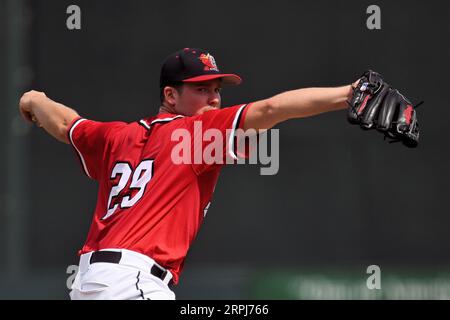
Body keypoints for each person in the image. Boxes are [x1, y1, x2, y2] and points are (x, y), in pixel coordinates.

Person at [18, 48, 393, 300]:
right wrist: (351, 92)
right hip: (132, 283)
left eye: (216, 89)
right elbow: (272, 109)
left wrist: (34, 99)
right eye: (201, 89)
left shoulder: (116, 135)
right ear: (170, 95)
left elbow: (68, 123)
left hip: (89, 284)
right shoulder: (195, 135)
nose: (214, 99)